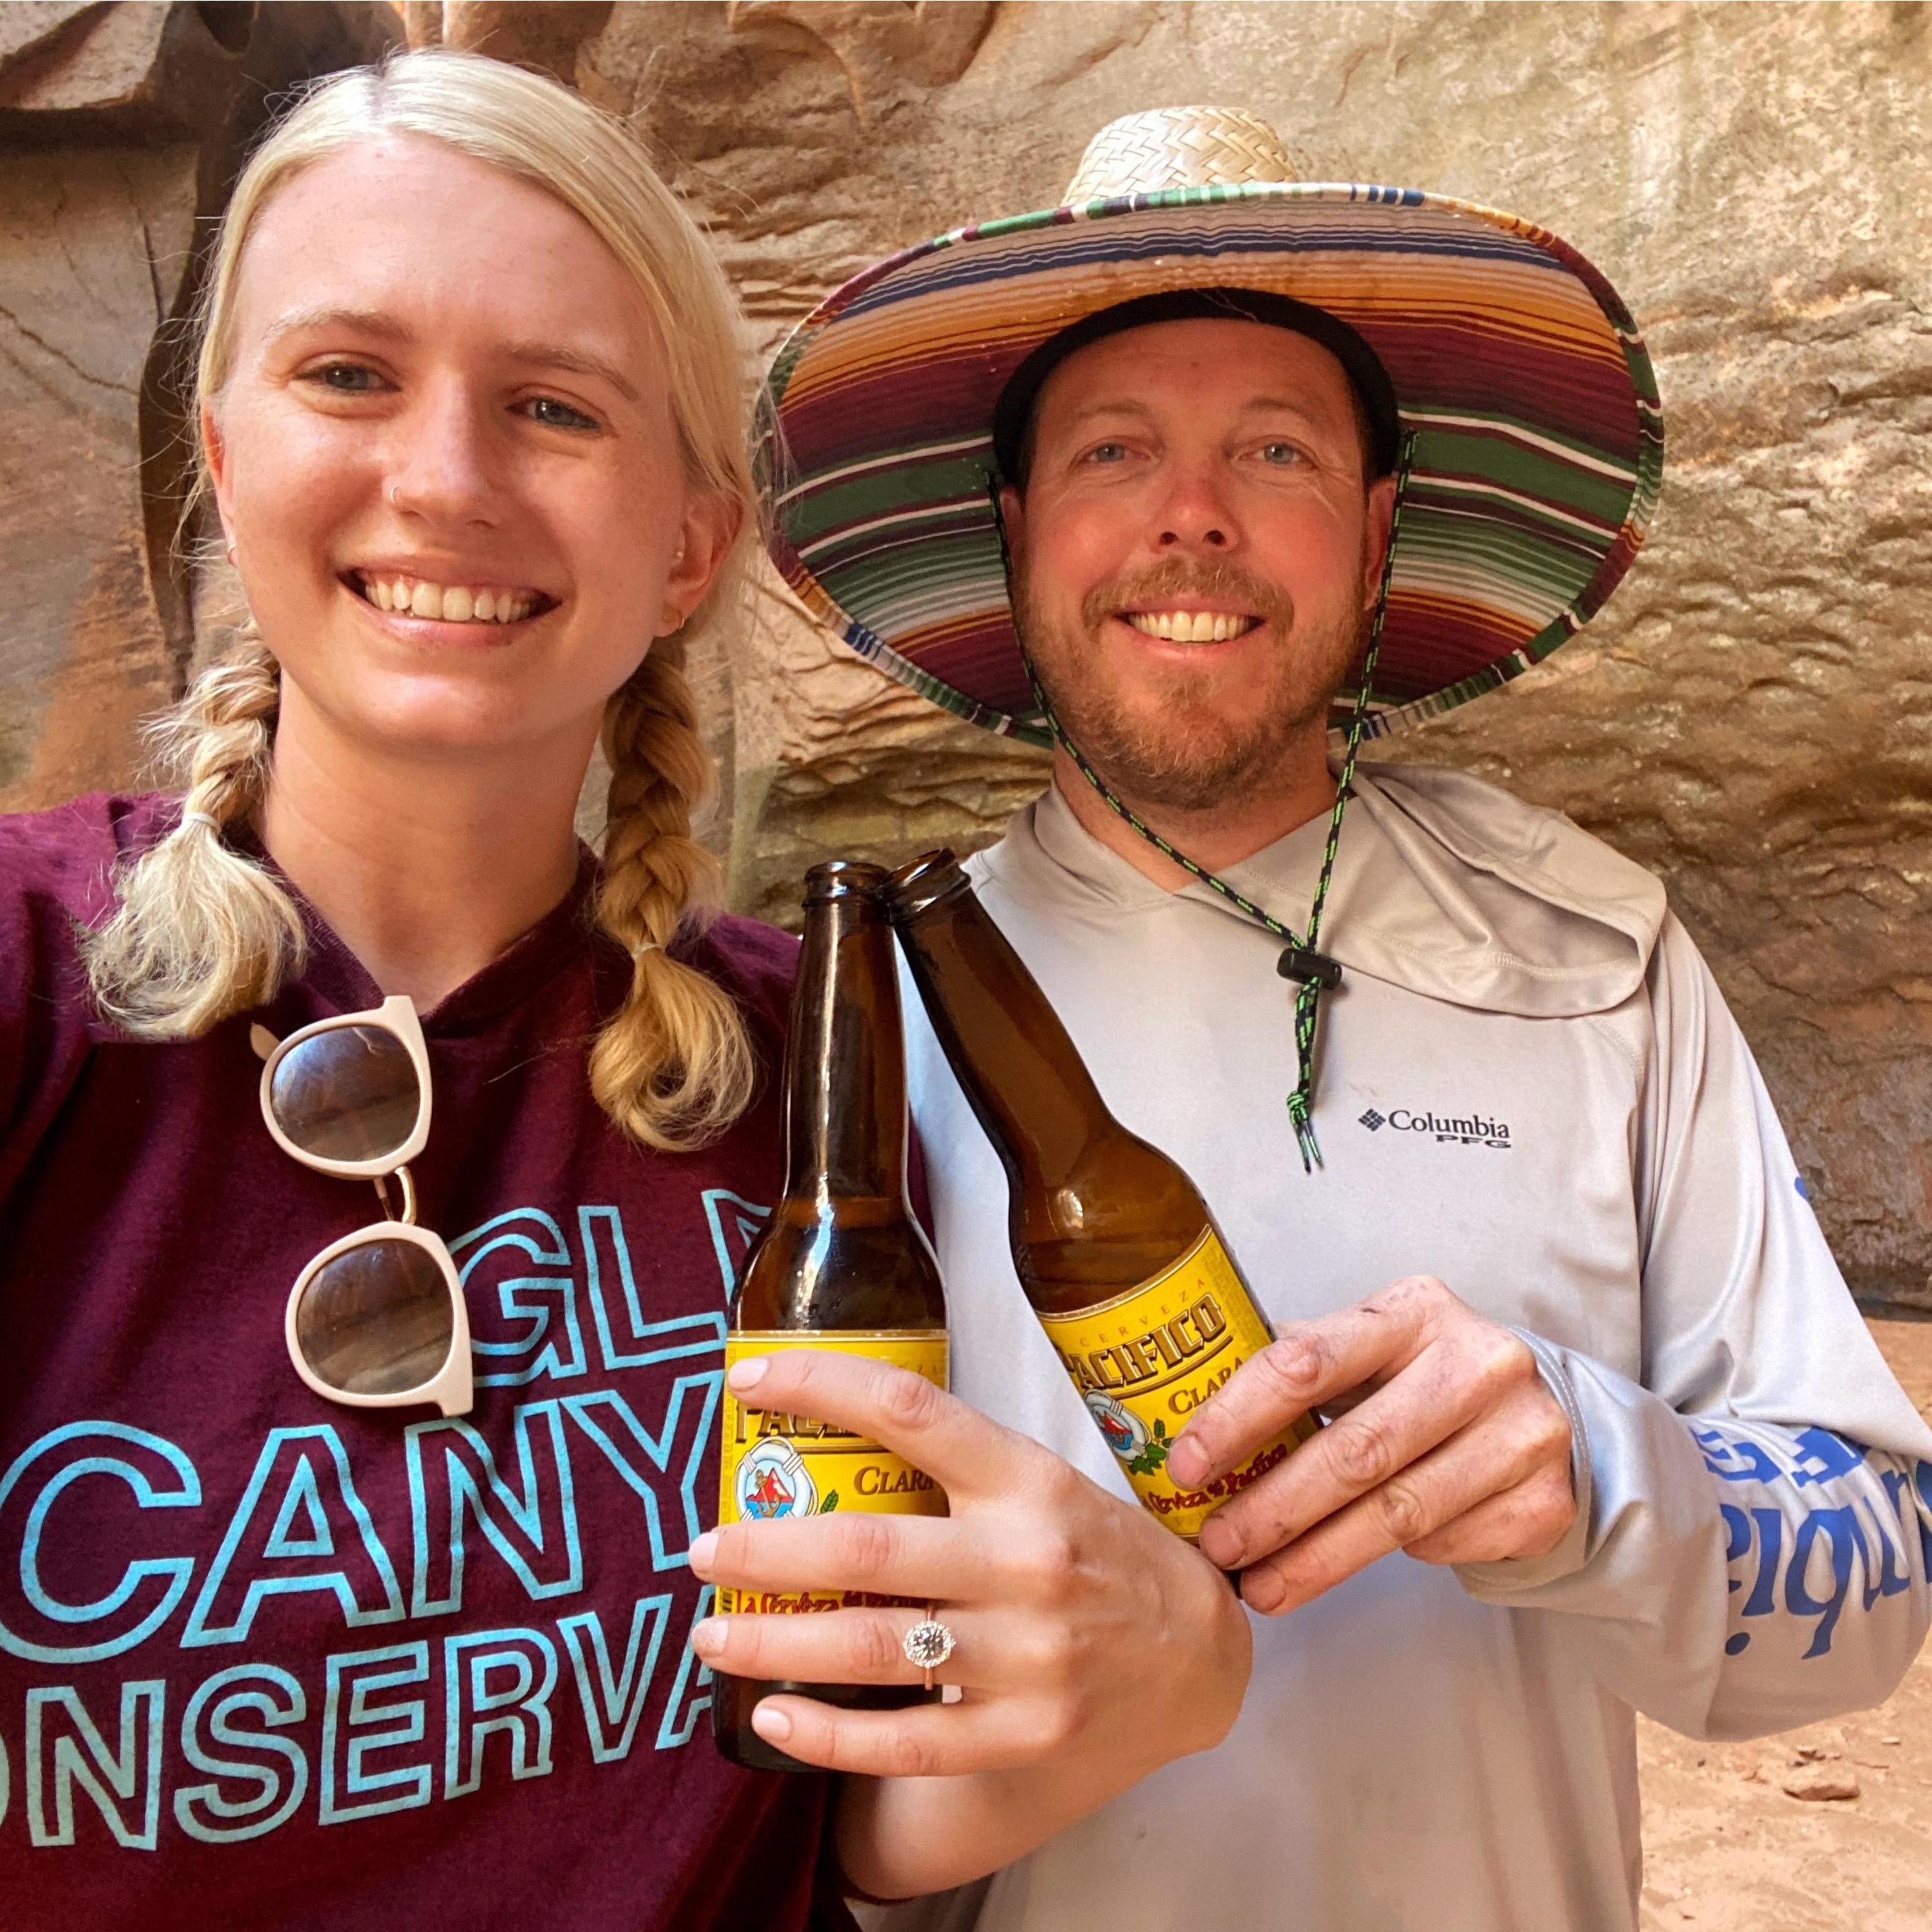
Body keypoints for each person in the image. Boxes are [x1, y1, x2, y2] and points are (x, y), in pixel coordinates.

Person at [0, 62, 1251, 1931]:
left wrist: (1163, 1683)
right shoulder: (32, 981)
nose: (444, 477)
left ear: (689, 541)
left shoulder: (806, 1063)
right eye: (348, 375)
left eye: (554, 407)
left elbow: (811, 1801)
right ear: (226, 451)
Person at [760, 105, 1932, 1931]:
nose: (1193, 517)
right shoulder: (851, 1031)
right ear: (1015, 533)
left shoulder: (1596, 957)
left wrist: (1595, 1472)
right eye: (1115, 452)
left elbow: (1877, 1579)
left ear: (1378, 534)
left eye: (1278, 452)